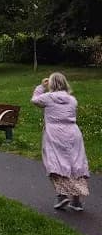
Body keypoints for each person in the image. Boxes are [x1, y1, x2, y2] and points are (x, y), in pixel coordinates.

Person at [31, 73, 90, 211]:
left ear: (51, 84)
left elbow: (34, 100)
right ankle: (76, 201)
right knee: (75, 163)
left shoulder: (47, 98)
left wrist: (41, 87)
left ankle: (62, 195)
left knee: (56, 162)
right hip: (73, 133)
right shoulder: (72, 100)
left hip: (55, 133)